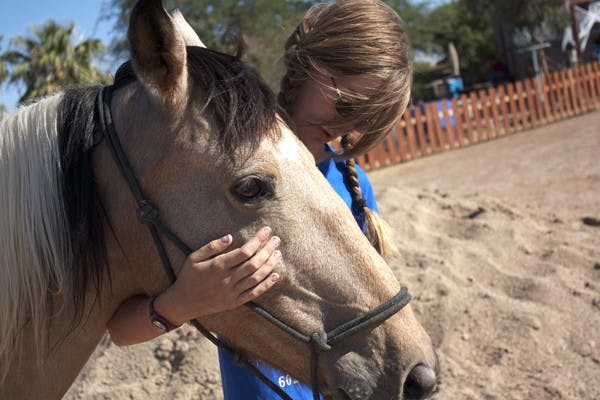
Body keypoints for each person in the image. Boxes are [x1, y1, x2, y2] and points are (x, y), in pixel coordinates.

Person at [218, 0, 412, 398]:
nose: (350, 126)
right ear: (307, 63)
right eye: (345, 104)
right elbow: (124, 324)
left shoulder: (356, 187)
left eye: (368, 119)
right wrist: (186, 299)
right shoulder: (238, 179)